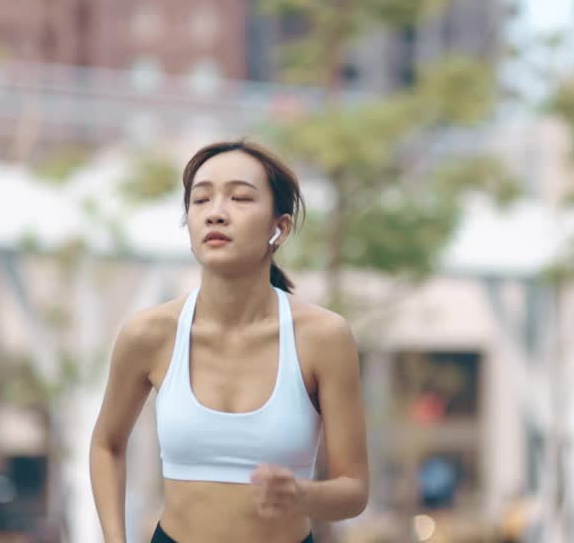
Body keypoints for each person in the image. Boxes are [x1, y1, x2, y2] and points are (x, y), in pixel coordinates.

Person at [89, 139, 370, 543]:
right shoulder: (148, 334)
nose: (216, 213)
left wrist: (301, 494)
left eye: (240, 198)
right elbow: (106, 444)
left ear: (280, 228)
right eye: (201, 200)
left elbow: (354, 489)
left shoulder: (324, 337)